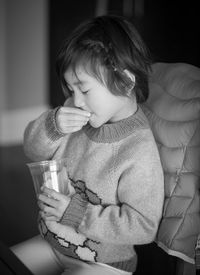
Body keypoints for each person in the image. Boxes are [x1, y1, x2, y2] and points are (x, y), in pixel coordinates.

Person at [12, 15, 164, 275]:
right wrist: (53, 125)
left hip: (104, 263)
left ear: (126, 82)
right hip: (53, 243)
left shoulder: (138, 150)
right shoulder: (74, 114)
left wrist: (75, 211)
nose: (76, 101)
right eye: (71, 90)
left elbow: (143, 226)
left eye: (84, 89)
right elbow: (32, 149)